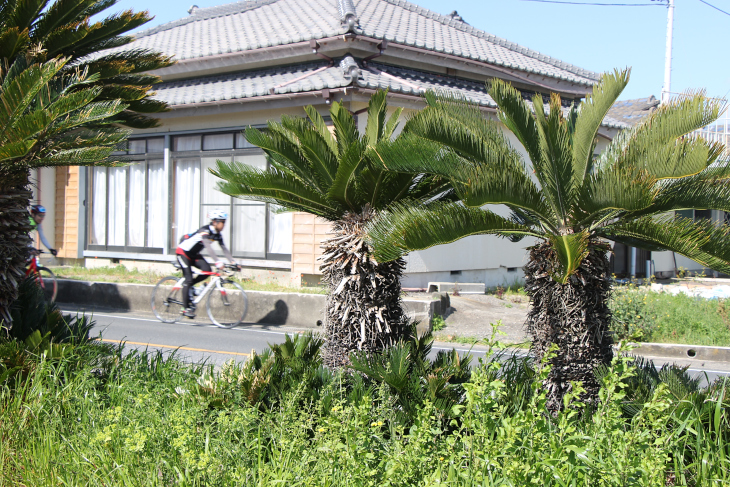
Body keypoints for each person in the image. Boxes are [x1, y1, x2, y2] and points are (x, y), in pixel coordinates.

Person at [176, 210, 239, 318]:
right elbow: (208, 247)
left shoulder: (217, 235)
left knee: (207, 270)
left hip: (194, 254)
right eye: (222, 222)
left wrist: (233, 262)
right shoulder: (204, 230)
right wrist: (217, 261)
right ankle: (185, 309)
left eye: (224, 222)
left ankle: (190, 287)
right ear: (215, 222)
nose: (224, 225)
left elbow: (224, 248)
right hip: (183, 253)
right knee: (188, 279)